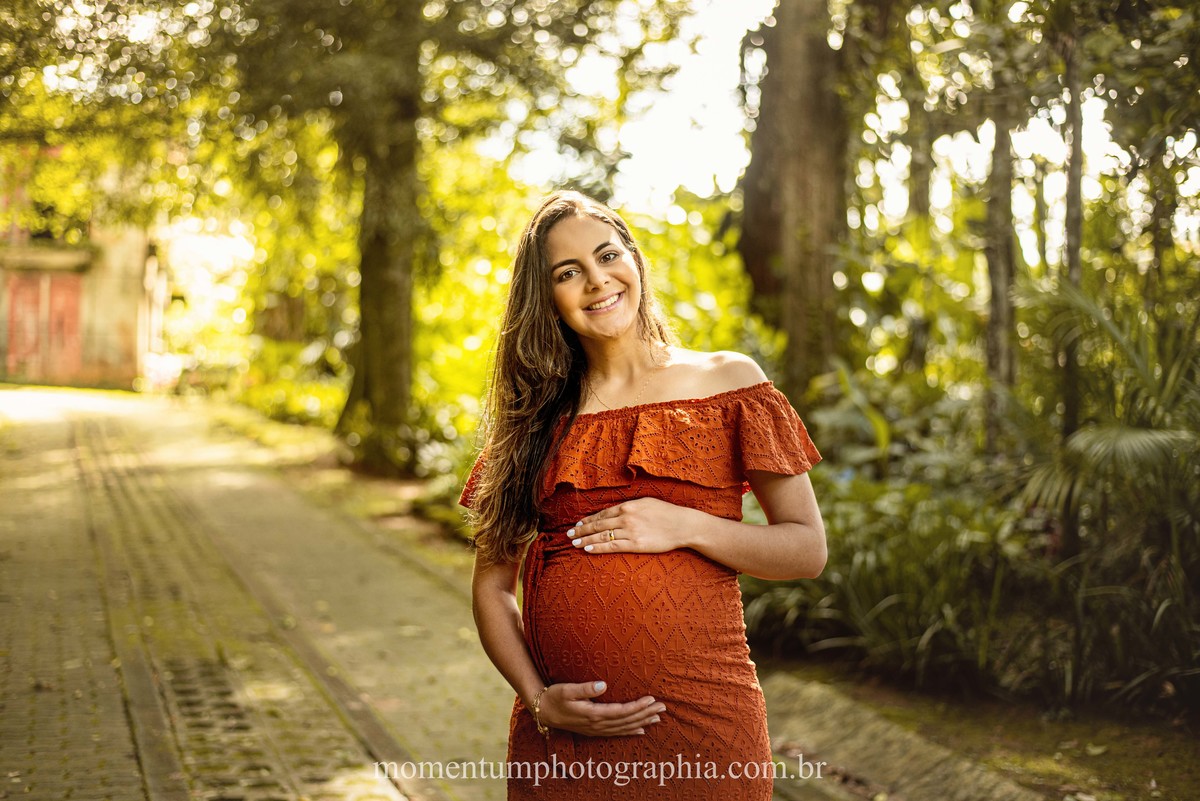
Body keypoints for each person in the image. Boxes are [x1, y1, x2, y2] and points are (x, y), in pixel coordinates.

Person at [461, 190, 826, 800]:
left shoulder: (727, 382)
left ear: (634, 260)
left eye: (608, 255)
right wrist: (540, 702)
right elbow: (492, 586)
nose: (597, 281)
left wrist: (685, 525)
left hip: (705, 736)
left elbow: (806, 549)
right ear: (544, 297)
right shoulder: (532, 421)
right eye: (568, 272)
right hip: (565, 748)